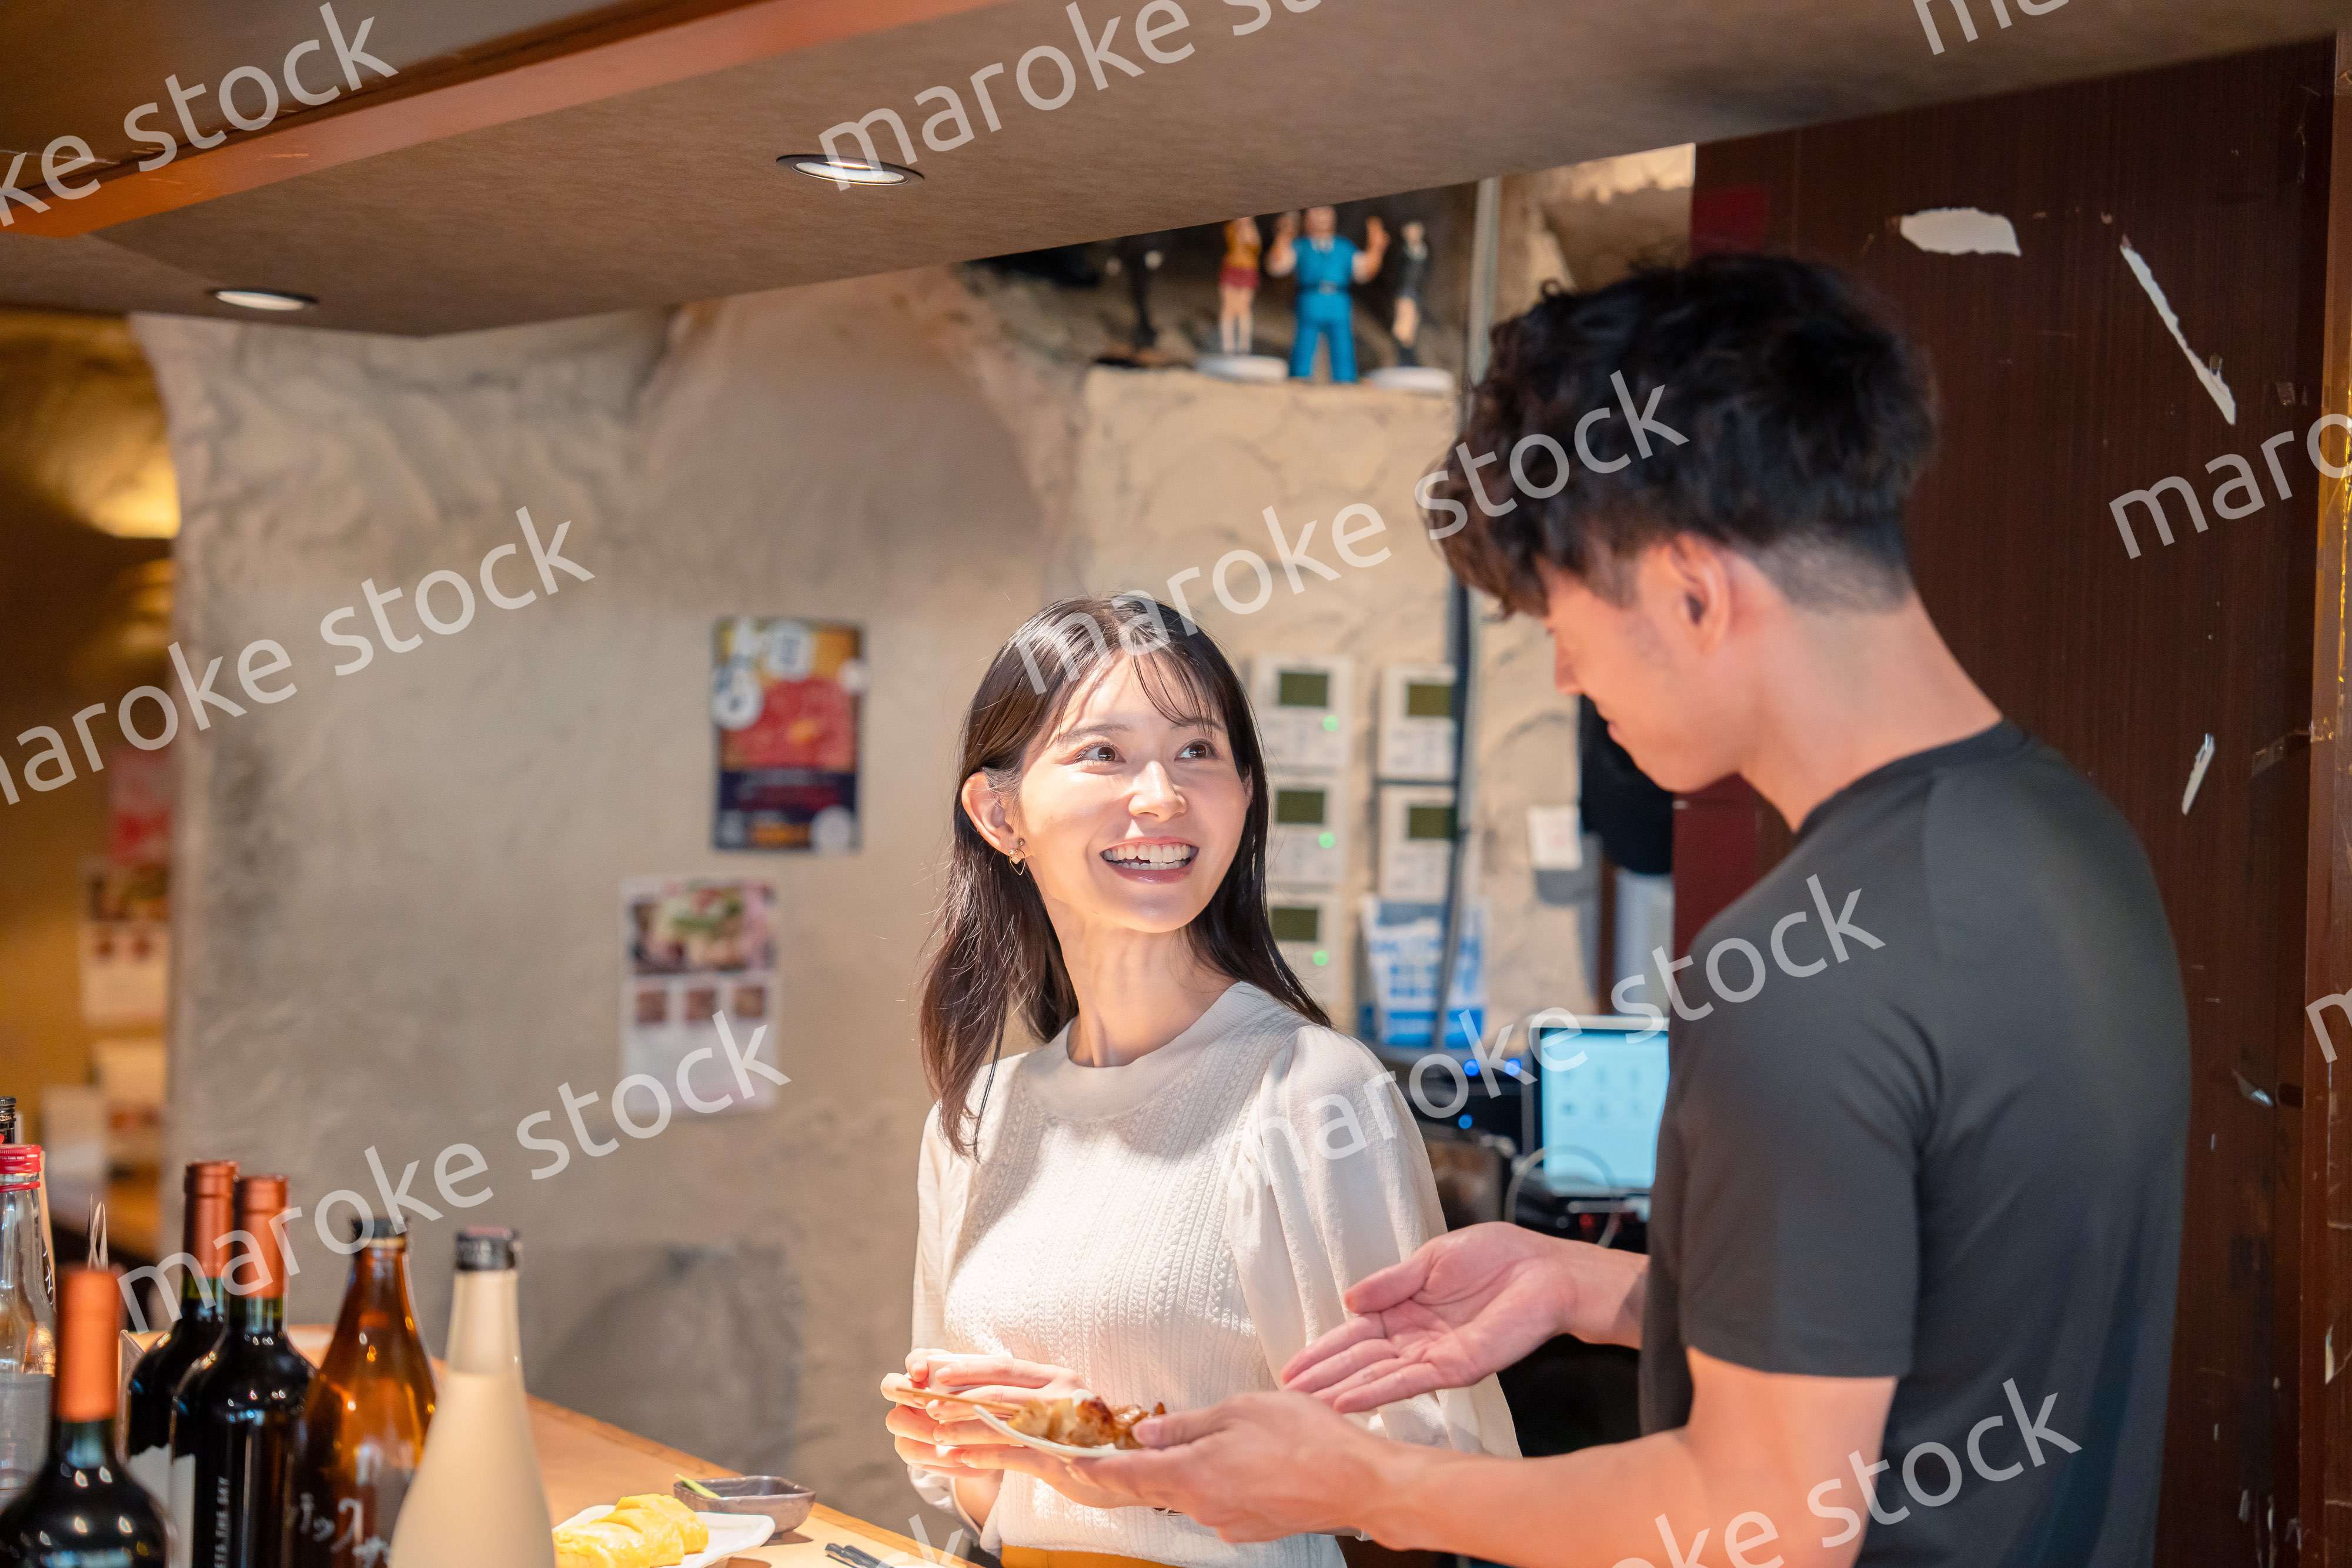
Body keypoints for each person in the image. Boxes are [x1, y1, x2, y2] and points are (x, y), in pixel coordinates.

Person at [1074, 256, 2191, 1567]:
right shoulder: (2070, 838)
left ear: (1689, 588)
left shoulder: (1793, 974)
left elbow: (1759, 1524)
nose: (1561, 669)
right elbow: (1956, 1323)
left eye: (1560, 611)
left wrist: (1366, 1481)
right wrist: (1597, 1289)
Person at [883, 596, 1517, 1568]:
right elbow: (987, 1505)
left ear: (1246, 793)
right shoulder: (975, 1118)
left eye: (1196, 752)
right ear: (998, 811)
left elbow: (1430, 1490)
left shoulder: (1312, 1093)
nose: (1161, 796)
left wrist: (1135, 1452)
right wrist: (979, 1440)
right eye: (1104, 753)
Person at [1266, 207, 1387, 383]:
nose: (1321, 218)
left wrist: (1376, 248)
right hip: (1311, 297)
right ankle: (1300, 376)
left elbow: (1364, 271)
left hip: (1338, 299)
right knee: (1305, 339)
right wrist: (1283, 236)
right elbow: (1278, 266)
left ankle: (1345, 378)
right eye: (1316, 213)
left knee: (1343, 340)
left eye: (1325, 213)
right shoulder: (1301, 246)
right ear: (1307, 218)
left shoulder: (1344, 247)